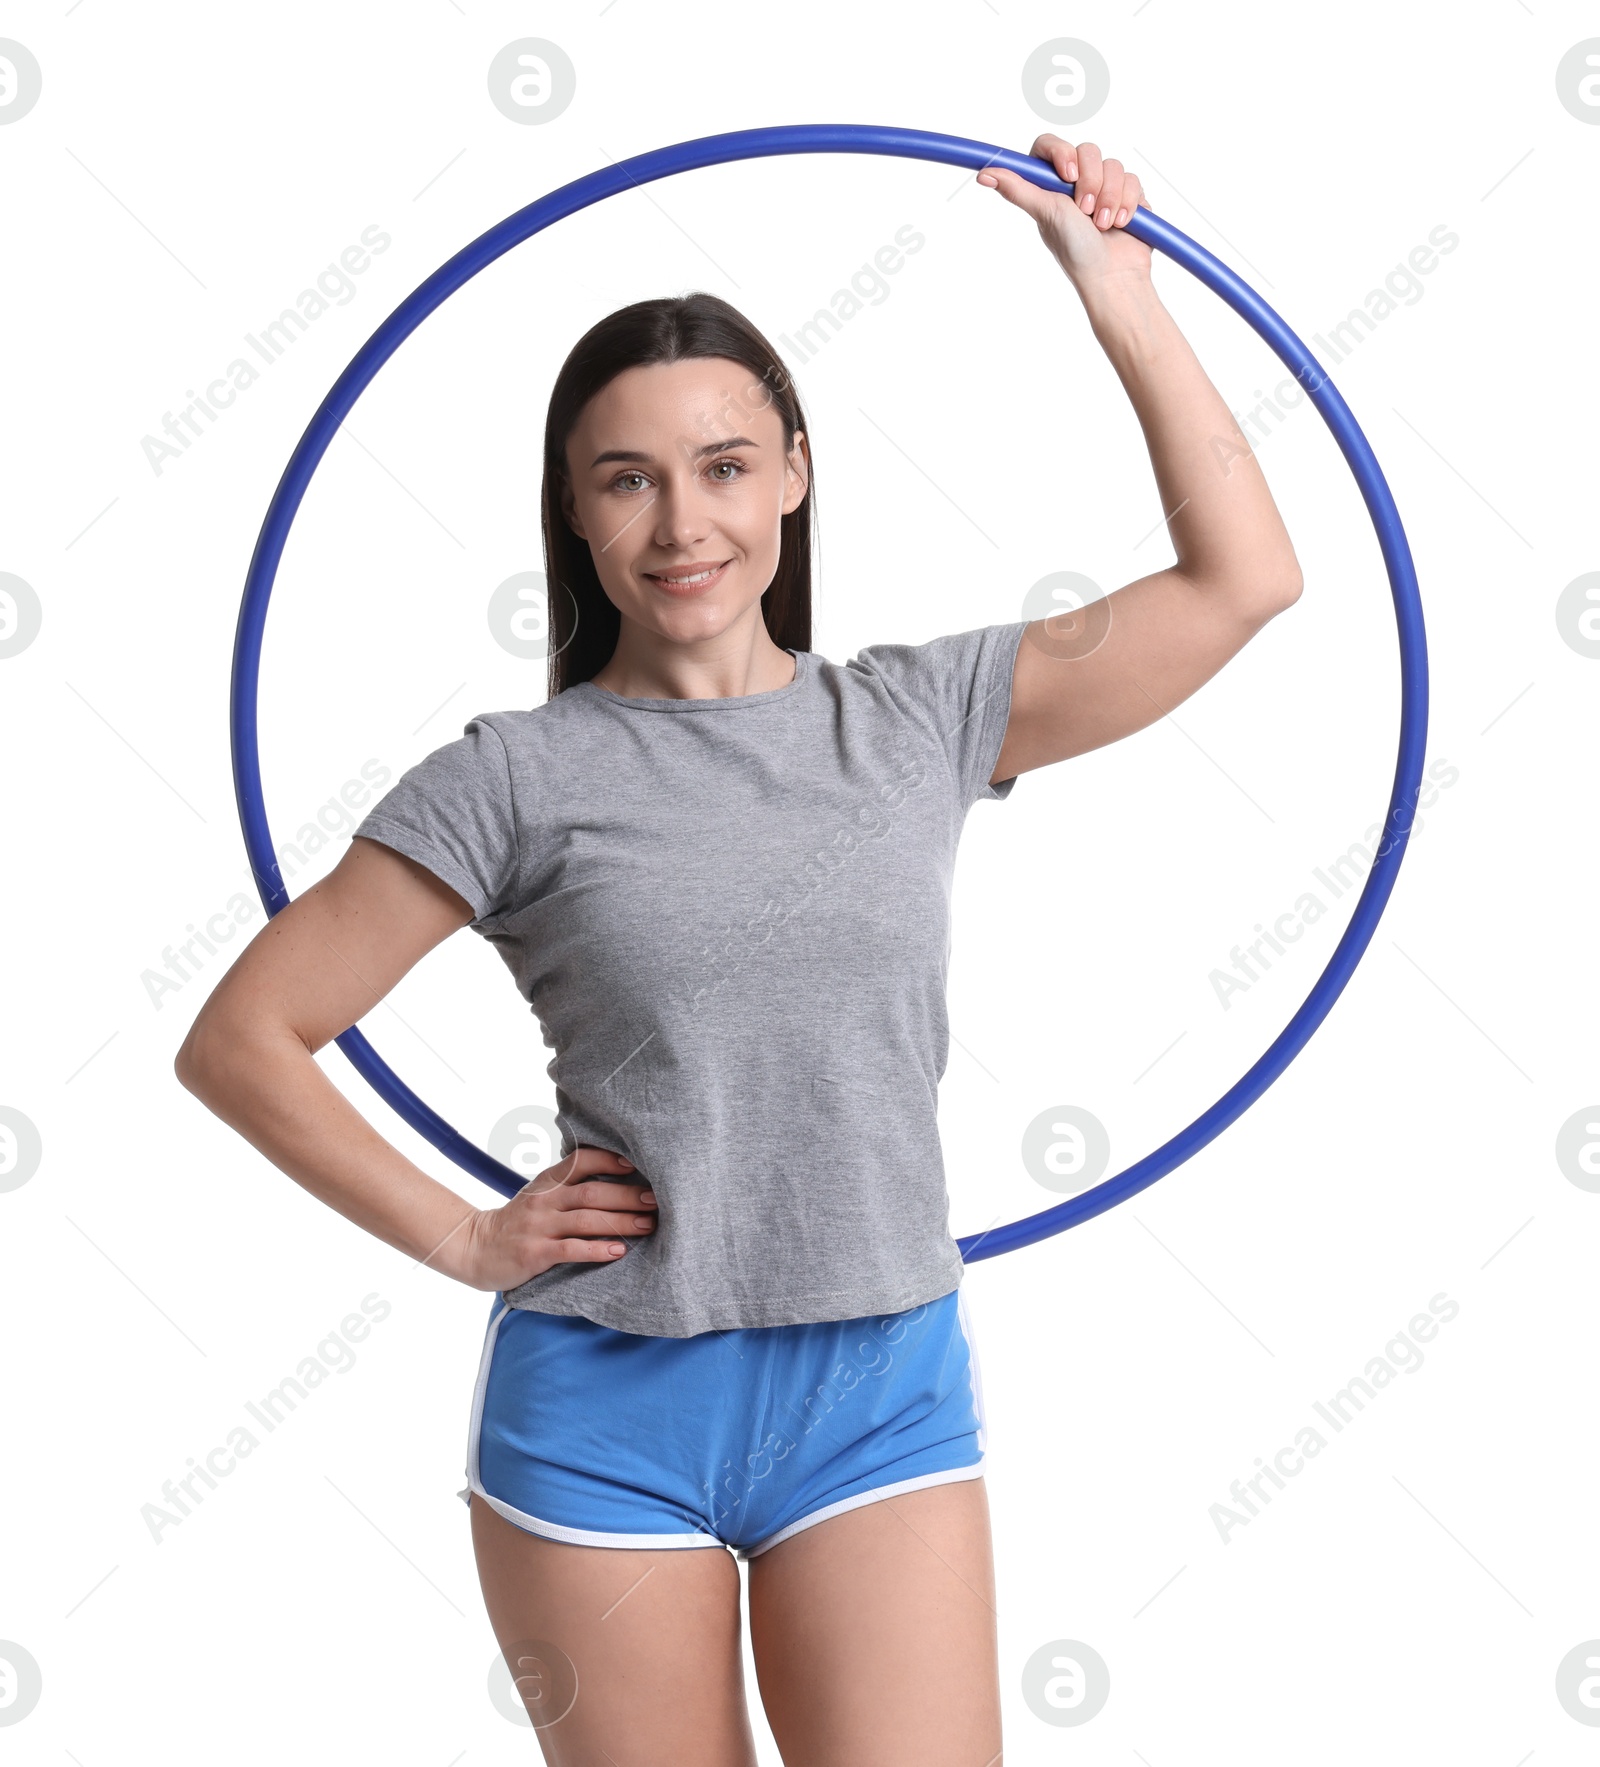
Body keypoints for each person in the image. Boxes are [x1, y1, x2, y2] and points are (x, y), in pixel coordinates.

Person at [176, 134, 1302, 1765]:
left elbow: (1246, 577)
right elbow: (240, 1040)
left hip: (878, 1394)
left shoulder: (923, 716)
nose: (679, 520)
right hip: (607, 1414)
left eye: (720, 465)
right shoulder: (513, 775)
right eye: (626, 477)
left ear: (792, 470)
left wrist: (1113, 289)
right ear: (576, 510)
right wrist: (467, 1240)